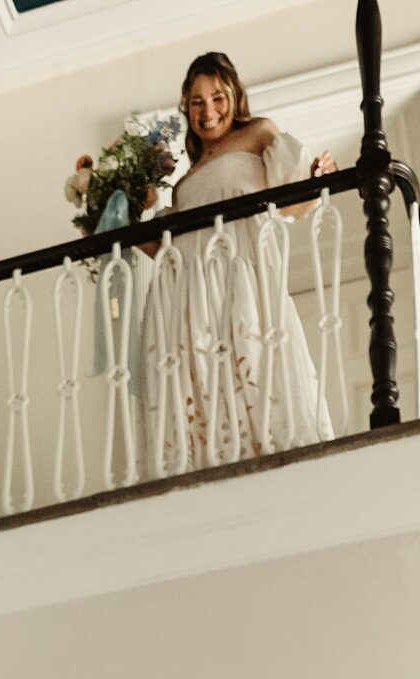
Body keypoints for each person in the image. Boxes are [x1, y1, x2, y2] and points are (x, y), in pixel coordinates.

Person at [144, 51, 336, 471]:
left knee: (256, 360)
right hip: (192, 291)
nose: (207, 110)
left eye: (216, 97)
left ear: (234, 95)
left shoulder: (259, 133)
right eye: (196, 102)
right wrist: (111, 210)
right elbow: (162, 245)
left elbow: (296, 203)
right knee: (203, 375)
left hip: (241, 272)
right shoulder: (185, 182)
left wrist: (320, 179)